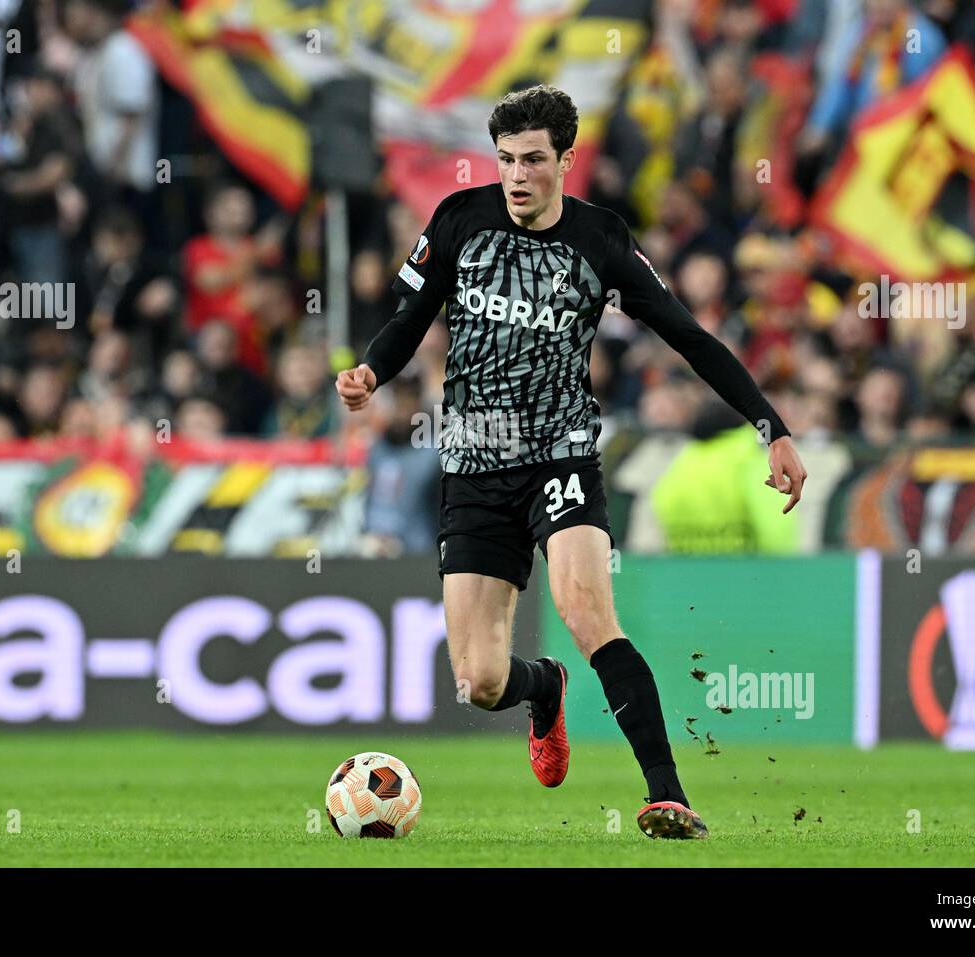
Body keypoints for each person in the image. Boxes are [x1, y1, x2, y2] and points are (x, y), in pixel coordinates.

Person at [335, 85, 807, 840]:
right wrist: (370, 372)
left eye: (531, 160)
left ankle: (667, 793)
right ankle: (543, 687)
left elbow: (690, 337)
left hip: (561, 455)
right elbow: (407, 320)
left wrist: (770, 425)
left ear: (564, 161)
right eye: (505, 160)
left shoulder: (601, 240)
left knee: (588, 611)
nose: (516, 175)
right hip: (475, 464)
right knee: (480, 680)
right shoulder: (460, 221)